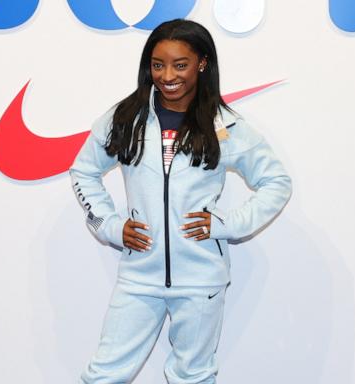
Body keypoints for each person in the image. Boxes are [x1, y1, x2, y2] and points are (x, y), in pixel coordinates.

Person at [70, 18, 292, 384]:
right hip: (139, 276)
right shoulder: (125, 119)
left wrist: (227, 224)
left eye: (180, 64)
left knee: (193, 377)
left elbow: (276, 181)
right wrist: (110, 226)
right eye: (158, 65)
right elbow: (83, 171)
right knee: (104, 375)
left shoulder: (227, 125)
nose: (167, 75)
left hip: (201, 279)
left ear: (202, 64)